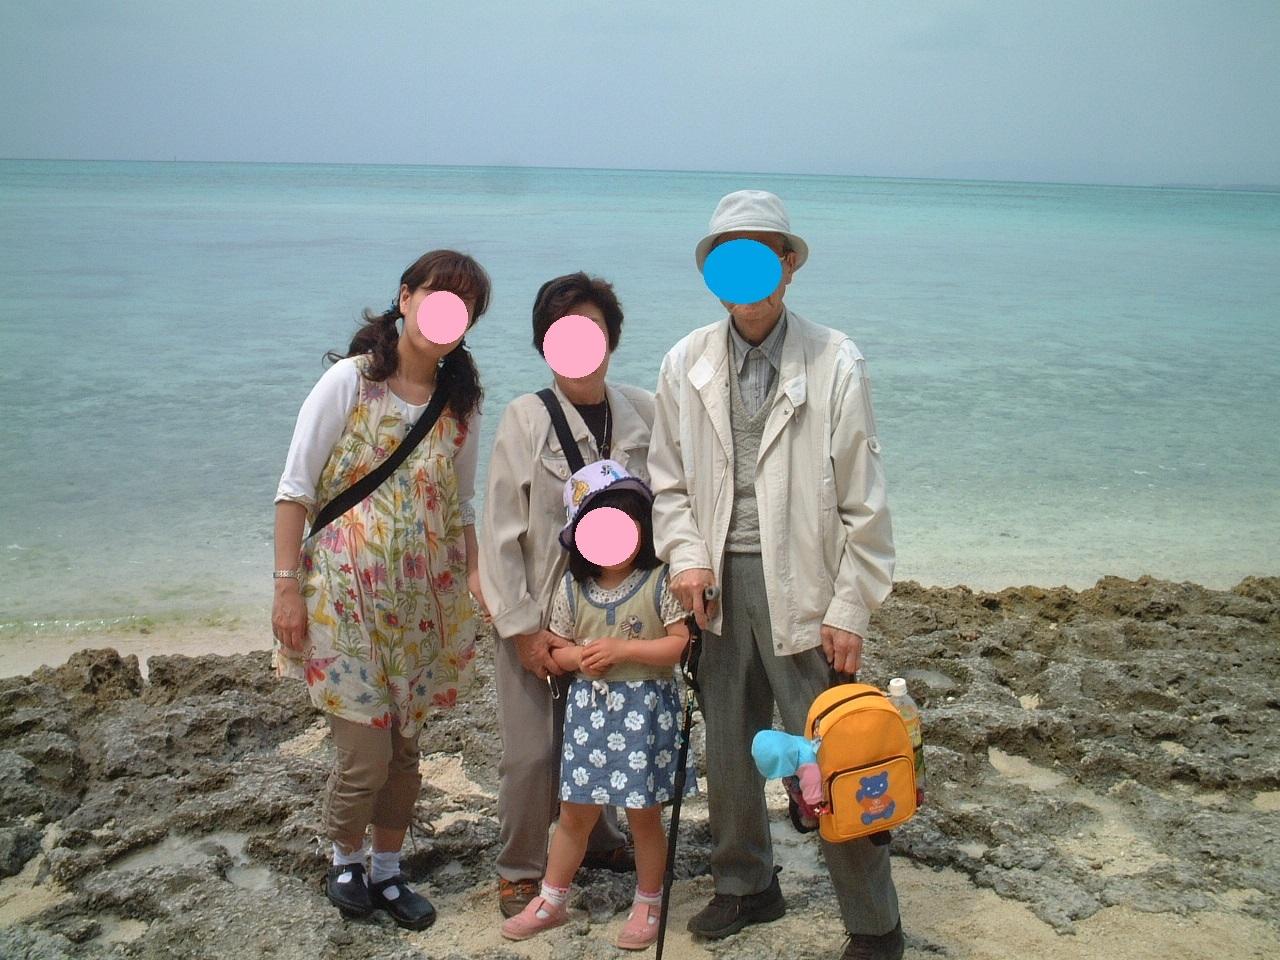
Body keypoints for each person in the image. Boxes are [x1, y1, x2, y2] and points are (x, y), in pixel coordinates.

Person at [648, 191, 905, 960]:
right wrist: (686, 558)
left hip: (808, 589)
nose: (748, 276)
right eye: (731, 260)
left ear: (788, 266)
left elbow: (865, 500)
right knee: (728, 751)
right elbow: (668, 483)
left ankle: (875, 923)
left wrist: (851, 607)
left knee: (834, 755)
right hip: (716, 588)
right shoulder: (684, 362)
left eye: (763, 255)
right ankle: (746, 884)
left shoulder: (835, 360)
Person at [271, 249, 490, 930]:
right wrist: (284, 588)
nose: (447, 315)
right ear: (405, 298)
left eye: (464, 308)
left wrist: (477, 582)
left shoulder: (461, 406)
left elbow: (460, 507)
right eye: (437, 297)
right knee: (364, 754)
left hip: (420, 608)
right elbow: (294, 491)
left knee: (405, 754)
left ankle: (389, 870)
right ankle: (344, 860)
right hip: (341, 602)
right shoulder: (351, 382)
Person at [479, 273, 655, 918]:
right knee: (533, 753)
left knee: (606, 734)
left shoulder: (644, 412)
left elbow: (669, 509)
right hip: (539, 618)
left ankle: (601, 840)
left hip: (615, 613)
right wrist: (523, 629)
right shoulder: (525, 418)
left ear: (612, 338)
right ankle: (520, 866)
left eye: (593, 330)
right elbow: (499, 534)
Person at [500, 460, 691, 950]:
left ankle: (649, 901)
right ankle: (551, 898)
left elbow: (678, 645)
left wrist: (624, 649)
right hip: (591, 714)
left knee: (643, 815)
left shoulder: (659, 581)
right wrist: (579, 658)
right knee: (575, 812)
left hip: (645, 713)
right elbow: (558, 651)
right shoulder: (573, 589)